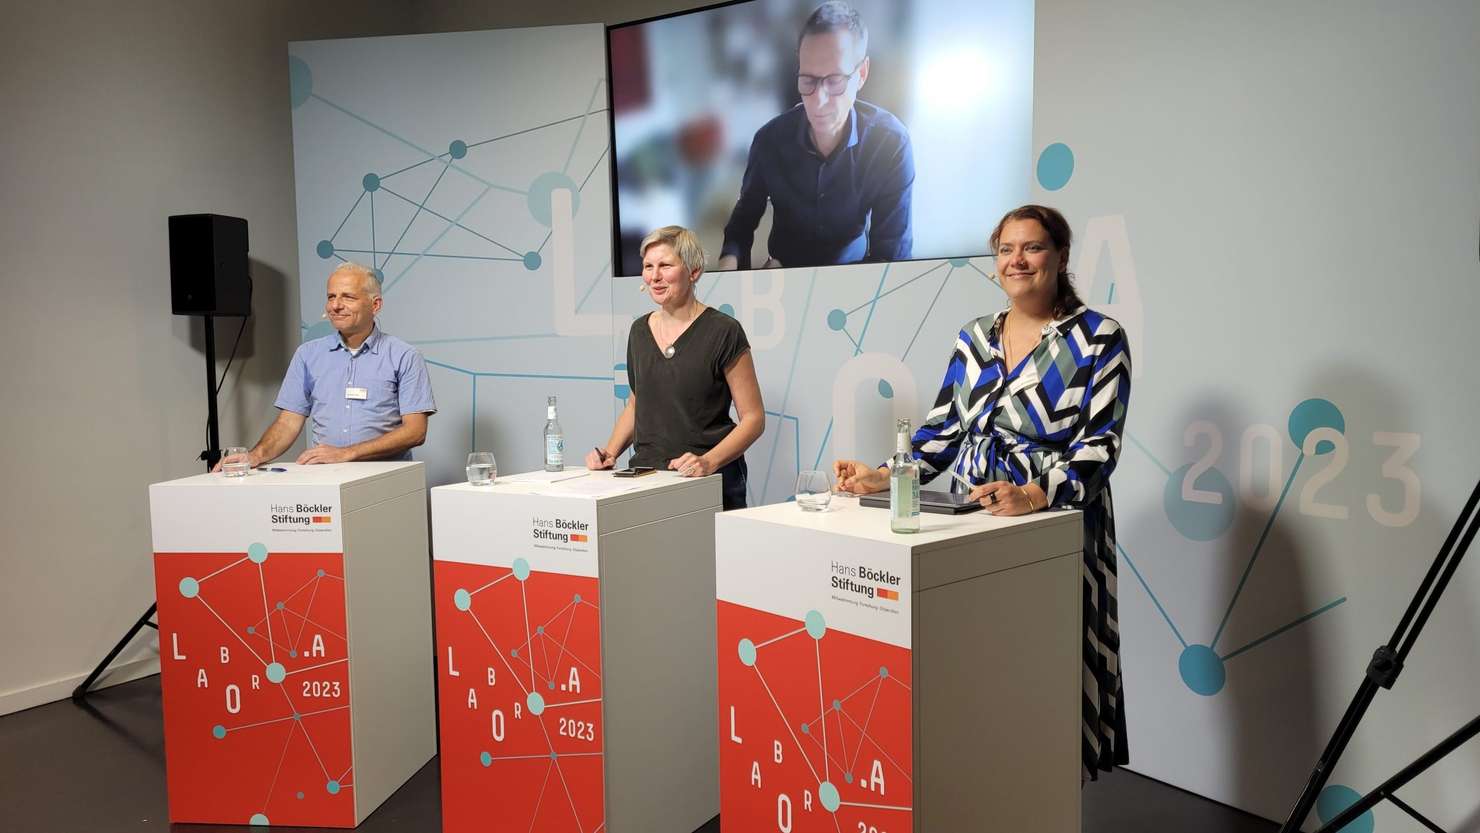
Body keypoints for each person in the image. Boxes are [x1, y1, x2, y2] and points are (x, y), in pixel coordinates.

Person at [834, 205, 1132, 781]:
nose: (1016, 261)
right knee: (980, 667)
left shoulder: (1100, 338)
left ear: (1061, 256)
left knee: (1044, 667)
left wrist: (1034, 493)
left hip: (1055, 524)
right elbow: (941, 430)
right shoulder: (974, 336)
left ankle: (1041, 792)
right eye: (1005, 249)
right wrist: (885, 475)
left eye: (1032, 248)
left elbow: (1101, 447)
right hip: (974, 518)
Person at [717, 0, 913, 271]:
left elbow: (892, 258)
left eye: (834, 81)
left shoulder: (891, 143)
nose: (818, 101)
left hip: (854, 275)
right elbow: (743, 219)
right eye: (808, 80)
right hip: (782, 273)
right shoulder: (769, 140)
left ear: (862, 74)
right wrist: (730, 272)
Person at [586, 226, 764, 510]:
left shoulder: (724, 331)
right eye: (648, 266)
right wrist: (610, 452)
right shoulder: (638, 330)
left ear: (693, 272)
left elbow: (754, 418)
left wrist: (708, 462)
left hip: (706, 482)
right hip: (646, 480)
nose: (654, 276)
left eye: (665, 265)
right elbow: (636, 404)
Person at [220, 262, 436, 469]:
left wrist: (347, 453)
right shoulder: (308, 354)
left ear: (375, 304)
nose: (336, 305)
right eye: (331, 297)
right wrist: (256, 455)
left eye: (348, 297)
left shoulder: (404, 356)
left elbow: (415, 432)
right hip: (326, 478)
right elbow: (288, 422)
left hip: (386, 478)